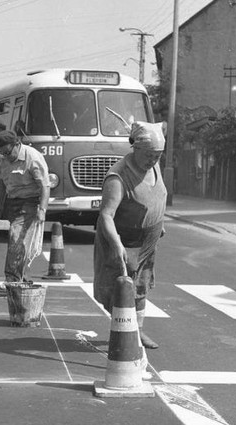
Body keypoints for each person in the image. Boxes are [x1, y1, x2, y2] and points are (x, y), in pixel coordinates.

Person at [93, 121, 167, 349]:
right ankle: (124, 333)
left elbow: (156, 196)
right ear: (135, 148)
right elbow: (106, 215)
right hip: (123, 238)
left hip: (147, 239)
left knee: (141, 285)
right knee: (121, 289)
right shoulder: (118, 176)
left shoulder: (152, 166)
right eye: (149, 155)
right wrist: (116, 246)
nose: (153, 161)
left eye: (157, 156)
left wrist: (159, 223)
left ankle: (138, 331)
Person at [0, 130, 50, 288]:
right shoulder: (2, 159)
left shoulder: (33, 157)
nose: (6, 156)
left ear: (17, 144)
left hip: (30, 202)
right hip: (12, 202)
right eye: (2, 152)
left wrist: (42, 210)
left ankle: (12, 280)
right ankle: (22, 278)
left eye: (8, 152)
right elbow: (2, 184)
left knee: (16, 236)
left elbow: (45, 186)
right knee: (19, 242)